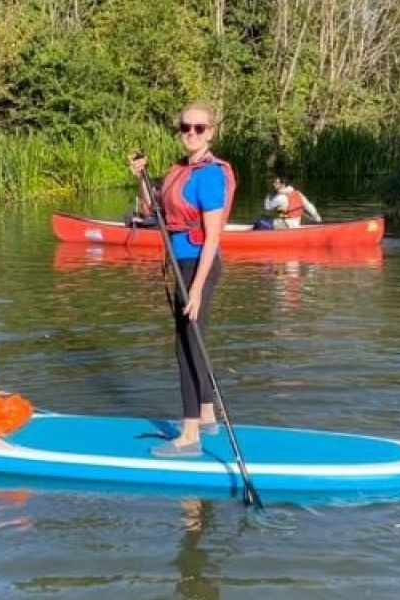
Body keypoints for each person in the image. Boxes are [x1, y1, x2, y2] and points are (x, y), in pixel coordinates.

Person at [129, 102, 236, 458]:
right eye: (185, 127)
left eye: (199, 128)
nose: (191, 133)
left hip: (197, 267)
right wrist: (141, 178)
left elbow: (214, 237)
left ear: (211, 132)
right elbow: (150, 210)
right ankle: (206, 414)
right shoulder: (179, 170)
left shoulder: (210, 175)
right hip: (181, 265)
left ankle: (190, 436)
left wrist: (197, 289)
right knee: (192, 339)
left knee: (186, 346)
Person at [257, 172, 321, 230]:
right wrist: (317, 218)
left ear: (283, 184)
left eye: (276, 183)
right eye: (274, 182)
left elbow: (267, 207)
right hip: (296, 224)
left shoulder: (280, 197)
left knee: (259, 221)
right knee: (272, 215)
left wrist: (268, 196)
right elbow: (309, 206)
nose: (274, 184)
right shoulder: (298, 193)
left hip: (286, 226)